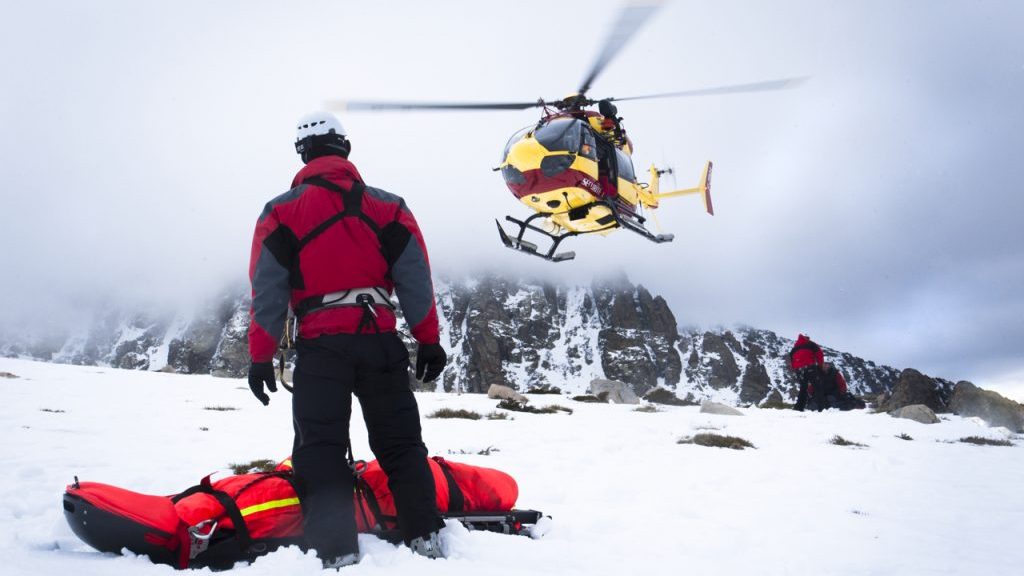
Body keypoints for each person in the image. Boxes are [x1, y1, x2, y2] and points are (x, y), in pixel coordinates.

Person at [246, 111, 448, 567]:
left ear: (304, 154)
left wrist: (260, 359)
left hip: (321, 348)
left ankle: (335, 551)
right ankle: (427, 541)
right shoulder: (390, 206)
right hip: (379, 340)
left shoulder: (279, 212)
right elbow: (416, 278)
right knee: (400, 443)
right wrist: (428, 339)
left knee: (320, 448)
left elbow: (268, 295)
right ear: (346, 150)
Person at [788, 333, 823, 412]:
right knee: (817, 386)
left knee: (803, 388)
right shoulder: (811, 344)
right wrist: (820, 366)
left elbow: (791, 357)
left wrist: (795, 368)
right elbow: (819, 354)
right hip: (810, 367)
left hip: (799, 370)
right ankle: (822, 406)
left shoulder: (795, 347)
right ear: (807, 338)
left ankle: (799, 407)